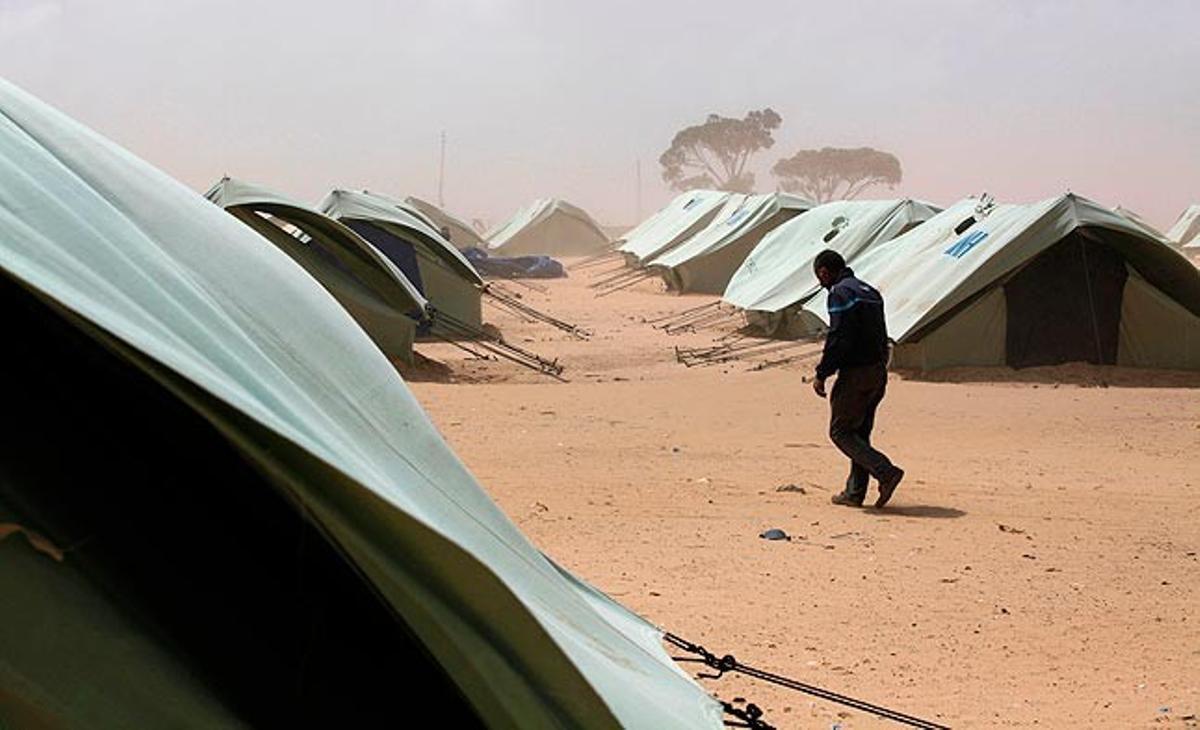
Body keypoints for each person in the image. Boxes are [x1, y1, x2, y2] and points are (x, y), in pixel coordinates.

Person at [810, 250, 904, 508]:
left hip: (857, 373)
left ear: (824, 272)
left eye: (820, 276)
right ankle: (854, 492)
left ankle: (885, 472)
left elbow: (840, 338)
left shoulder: (840, 293)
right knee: (860, 432)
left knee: (840, 431)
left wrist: (822, 373)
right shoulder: (870, 291)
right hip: (877, 371)